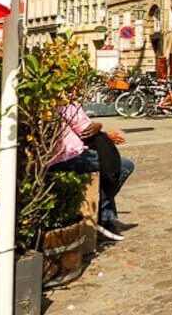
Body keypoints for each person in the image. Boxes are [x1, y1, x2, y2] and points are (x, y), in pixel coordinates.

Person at [50, 102, 134, 242]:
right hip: (70, 155)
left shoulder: (54, 102)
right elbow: (85, 129)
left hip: (67, 153)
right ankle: (101, 215)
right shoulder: (64, 102)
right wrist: (99, 127)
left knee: (108, 165)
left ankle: (107, 218)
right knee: (122, 166)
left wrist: (100, 129)